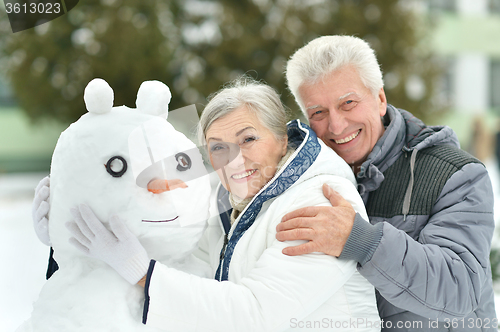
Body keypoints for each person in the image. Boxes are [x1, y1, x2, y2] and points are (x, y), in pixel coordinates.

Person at [38, 77, 381, 331]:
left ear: (281, 139)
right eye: (218, 147)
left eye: (248, 138)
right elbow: (185, 266)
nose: (235, 158)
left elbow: (257, 313)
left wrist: (142, 271)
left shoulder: (319, 202)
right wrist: (68, 242)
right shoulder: (233, 203)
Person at [275, 35, 497, 330]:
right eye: (318, 112)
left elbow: (460, 288)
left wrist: (362, 242)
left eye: (348, 103)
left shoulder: (455, 174)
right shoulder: (303, 178)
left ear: (380, 99)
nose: (336, 125)